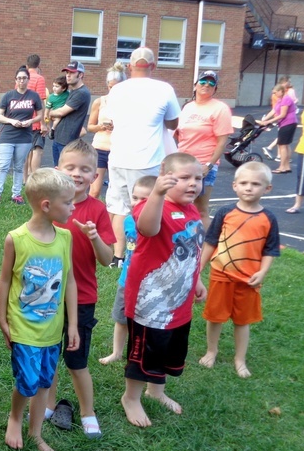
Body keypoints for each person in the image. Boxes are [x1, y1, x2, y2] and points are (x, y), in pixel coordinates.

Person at [0, 167, 78, 451]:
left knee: (45, 381)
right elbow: (5, 280)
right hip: (24, 328)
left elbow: (69, 281)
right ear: (46, 205)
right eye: (68, 202)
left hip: (52, 330)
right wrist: (2, 318)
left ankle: (36, 433)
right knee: (26, 381)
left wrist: (73, 324)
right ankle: (15, 418)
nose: (73, 207)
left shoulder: (65, 237)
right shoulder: (16, 239)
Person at [121, 152, 206, 428]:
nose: (192, 183)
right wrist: (157, 194)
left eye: (198, 178)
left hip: (178, 303)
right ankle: (131, 398)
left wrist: (197, 280)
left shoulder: (190, 209)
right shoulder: (151, 206)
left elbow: (192, 250)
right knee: (145, 353)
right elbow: (147, 228)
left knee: (166, 349)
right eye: (184, 177)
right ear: (165, 176)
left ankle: (156, 391)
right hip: (151, 304)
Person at [49, 140, 115, 438]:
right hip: (48, 296)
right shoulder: (49, 206)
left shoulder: (97, 210)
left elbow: (107, 259)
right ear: (58, 170)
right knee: (48, 356)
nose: (77, 173)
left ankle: (88, 412)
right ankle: (48, 404)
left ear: (95, 176)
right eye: (70, 167)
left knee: (77, 361)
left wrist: (94, 237)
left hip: (83, 299)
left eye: (85, 169)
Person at [198, 162, 280, 378]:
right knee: (215, 317)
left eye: (255, 184)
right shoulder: (225, 212)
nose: (249, 188)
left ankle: (239, 358)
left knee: (243, 321)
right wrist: (199, 267)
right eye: (243, 183)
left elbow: (270, 250)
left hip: (248, 279)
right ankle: (211, 351)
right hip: (221, 275)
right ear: (234, 185)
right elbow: (211, 241)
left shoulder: (269, 218)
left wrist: (262, 272)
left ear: (267, 188)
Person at [105, 46, 181, 265]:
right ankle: (143, 253)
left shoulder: (117, 90)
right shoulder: (164, 89)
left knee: (120, 208)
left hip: (118, 158)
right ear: (153, 66)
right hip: (147, 160)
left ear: (129, 67)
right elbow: (173, 123)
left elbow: (111, 120)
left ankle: (119, 256)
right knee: (148, 208)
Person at [98, 175, 156, 365]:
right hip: (127, 280)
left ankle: (143, 353)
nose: (138, 203)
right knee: (121, 318)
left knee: (147, 321)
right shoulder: (128, 220)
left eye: (144, 199)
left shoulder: (158, 224)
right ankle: (117, 352)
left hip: (150, 283)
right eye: (135, 197)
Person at [175, 70, 234, 227]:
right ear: (195, 85)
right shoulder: (188, 107)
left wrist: (209, 165)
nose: (207, 85)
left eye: (211, 83)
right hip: (182, 163)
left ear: (215, 88)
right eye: (203, 81)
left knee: (200, 209)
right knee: (179, 206)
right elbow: (178, 133)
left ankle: (205, 242)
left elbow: (222, 142)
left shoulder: (220, 108)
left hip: (203, 164)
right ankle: (184, 237)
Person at [0, 67, 43, 205]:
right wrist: (12, 121)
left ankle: (16, 194)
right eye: (19, 78)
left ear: (28, 80)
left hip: (24, 137)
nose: (21, 81)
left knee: (19, 166)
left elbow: (40, 115)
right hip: (7, 136)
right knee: (3, 165)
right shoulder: (9, 96)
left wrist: (31, 121)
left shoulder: (34, 96)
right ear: (15, 80)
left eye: (24, 78)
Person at [86, 62, 126, 199]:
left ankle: (111, 213)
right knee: (94, 191)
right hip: (100, 148)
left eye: (116, 87)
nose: (112, 90)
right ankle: (91, 212)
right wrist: (101, 127)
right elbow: (90, 126)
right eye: (110, 87)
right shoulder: (100, 101)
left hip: (119, 149)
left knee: (117, 191)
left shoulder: (128, 103)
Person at [48, 61, 91, 166]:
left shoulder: (81, 93)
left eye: (72, 73)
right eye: (67, 72)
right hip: (59, 138)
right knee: (58, 169)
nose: (68, 75)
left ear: (80, 75)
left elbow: (61, 112)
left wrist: (50, 112)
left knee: (65, 171)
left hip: (67, 142)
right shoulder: (73, 91)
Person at [258, 83, 297, 174]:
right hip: (287, 123)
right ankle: (286, 166)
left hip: (288, 123)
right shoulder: (280, 99)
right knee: (285, 145)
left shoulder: (286, 99)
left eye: (275, 92)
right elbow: (273, 111)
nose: (274, 94)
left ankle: (282, 167)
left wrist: (268, 121)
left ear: (280, 91)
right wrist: (264, 120)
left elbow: (282, 115)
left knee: (282, 145)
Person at [24, 54, 48, 182]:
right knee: (37, 150)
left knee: (25, 151)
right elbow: (40, 102)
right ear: (38, 65)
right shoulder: (39, 78)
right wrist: (43, 123)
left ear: (27, 65)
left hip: (23, 119)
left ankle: (24, 179)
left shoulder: (22, 78)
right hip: (35, 120)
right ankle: (34, 179)